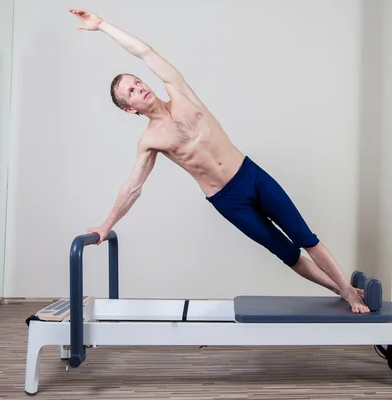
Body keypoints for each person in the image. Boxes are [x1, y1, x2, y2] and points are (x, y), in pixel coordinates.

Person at [69, 9, 369, 314]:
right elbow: (133, 187)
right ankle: (341, 289)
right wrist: (106, 226)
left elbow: (144, 50)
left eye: (137, 81)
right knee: (287, 254)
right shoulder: (150, 141)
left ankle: (349, 291)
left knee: (306, 238)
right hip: (227, 200)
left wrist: (103, 25)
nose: (140, 87)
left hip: (250, 175)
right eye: (131, 91)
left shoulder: (178, 90)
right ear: (129, 109)